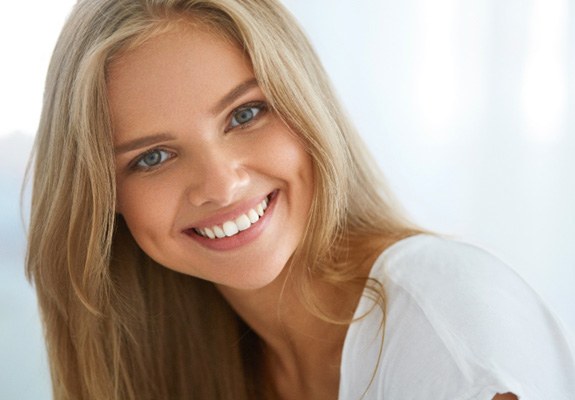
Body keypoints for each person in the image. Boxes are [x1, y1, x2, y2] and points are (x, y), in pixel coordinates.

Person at [26, 0, 574, 399]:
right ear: (103, 200)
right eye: (151, 158)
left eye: (245, 114)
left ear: (306, 105)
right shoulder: (172, 357)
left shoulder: (448, 323)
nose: (220, 184)